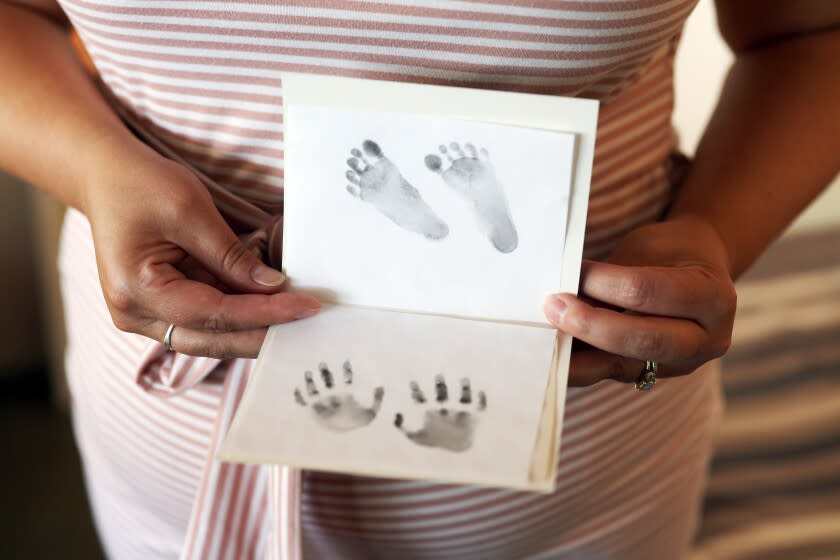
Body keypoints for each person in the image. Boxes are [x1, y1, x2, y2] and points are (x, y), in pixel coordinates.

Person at [1, 1, 837, 558]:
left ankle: (434, 220)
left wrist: (715, 232)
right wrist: (91, 165)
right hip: (179, 465)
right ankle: (439, 222)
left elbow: (810, 32)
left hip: (577, 471)